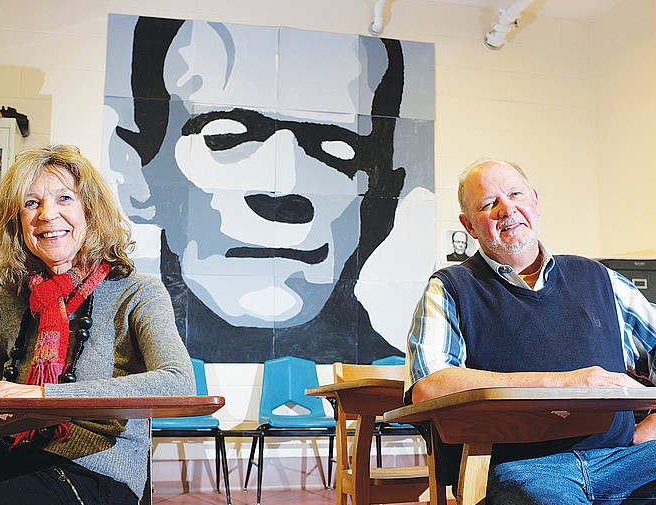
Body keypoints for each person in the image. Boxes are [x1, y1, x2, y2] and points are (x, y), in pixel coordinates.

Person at [0, 145, 195, 505]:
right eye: (31, 202)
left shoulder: (137, 293)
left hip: (91, 478)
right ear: (16, 221)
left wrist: (41, 396)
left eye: (64, 198)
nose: (47, 215)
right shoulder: (8, 300)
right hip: (8, 456)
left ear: (91, 210)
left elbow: (178, 382)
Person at [105, 16, 435, 363]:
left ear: (383, 199)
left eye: (338, 149)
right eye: (226, 137)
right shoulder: (103, 364)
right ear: (136, 172)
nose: (286, 190)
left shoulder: (387, 384)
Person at [406, 158, 656, 505]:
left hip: (626, 459)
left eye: (515, 194)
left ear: (536, 203)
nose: (506, 209)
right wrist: (568, 382)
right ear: (469, 226)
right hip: (525, 469)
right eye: (488, 204)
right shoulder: (450, 288)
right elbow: (430, 384)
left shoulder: (598, 278)